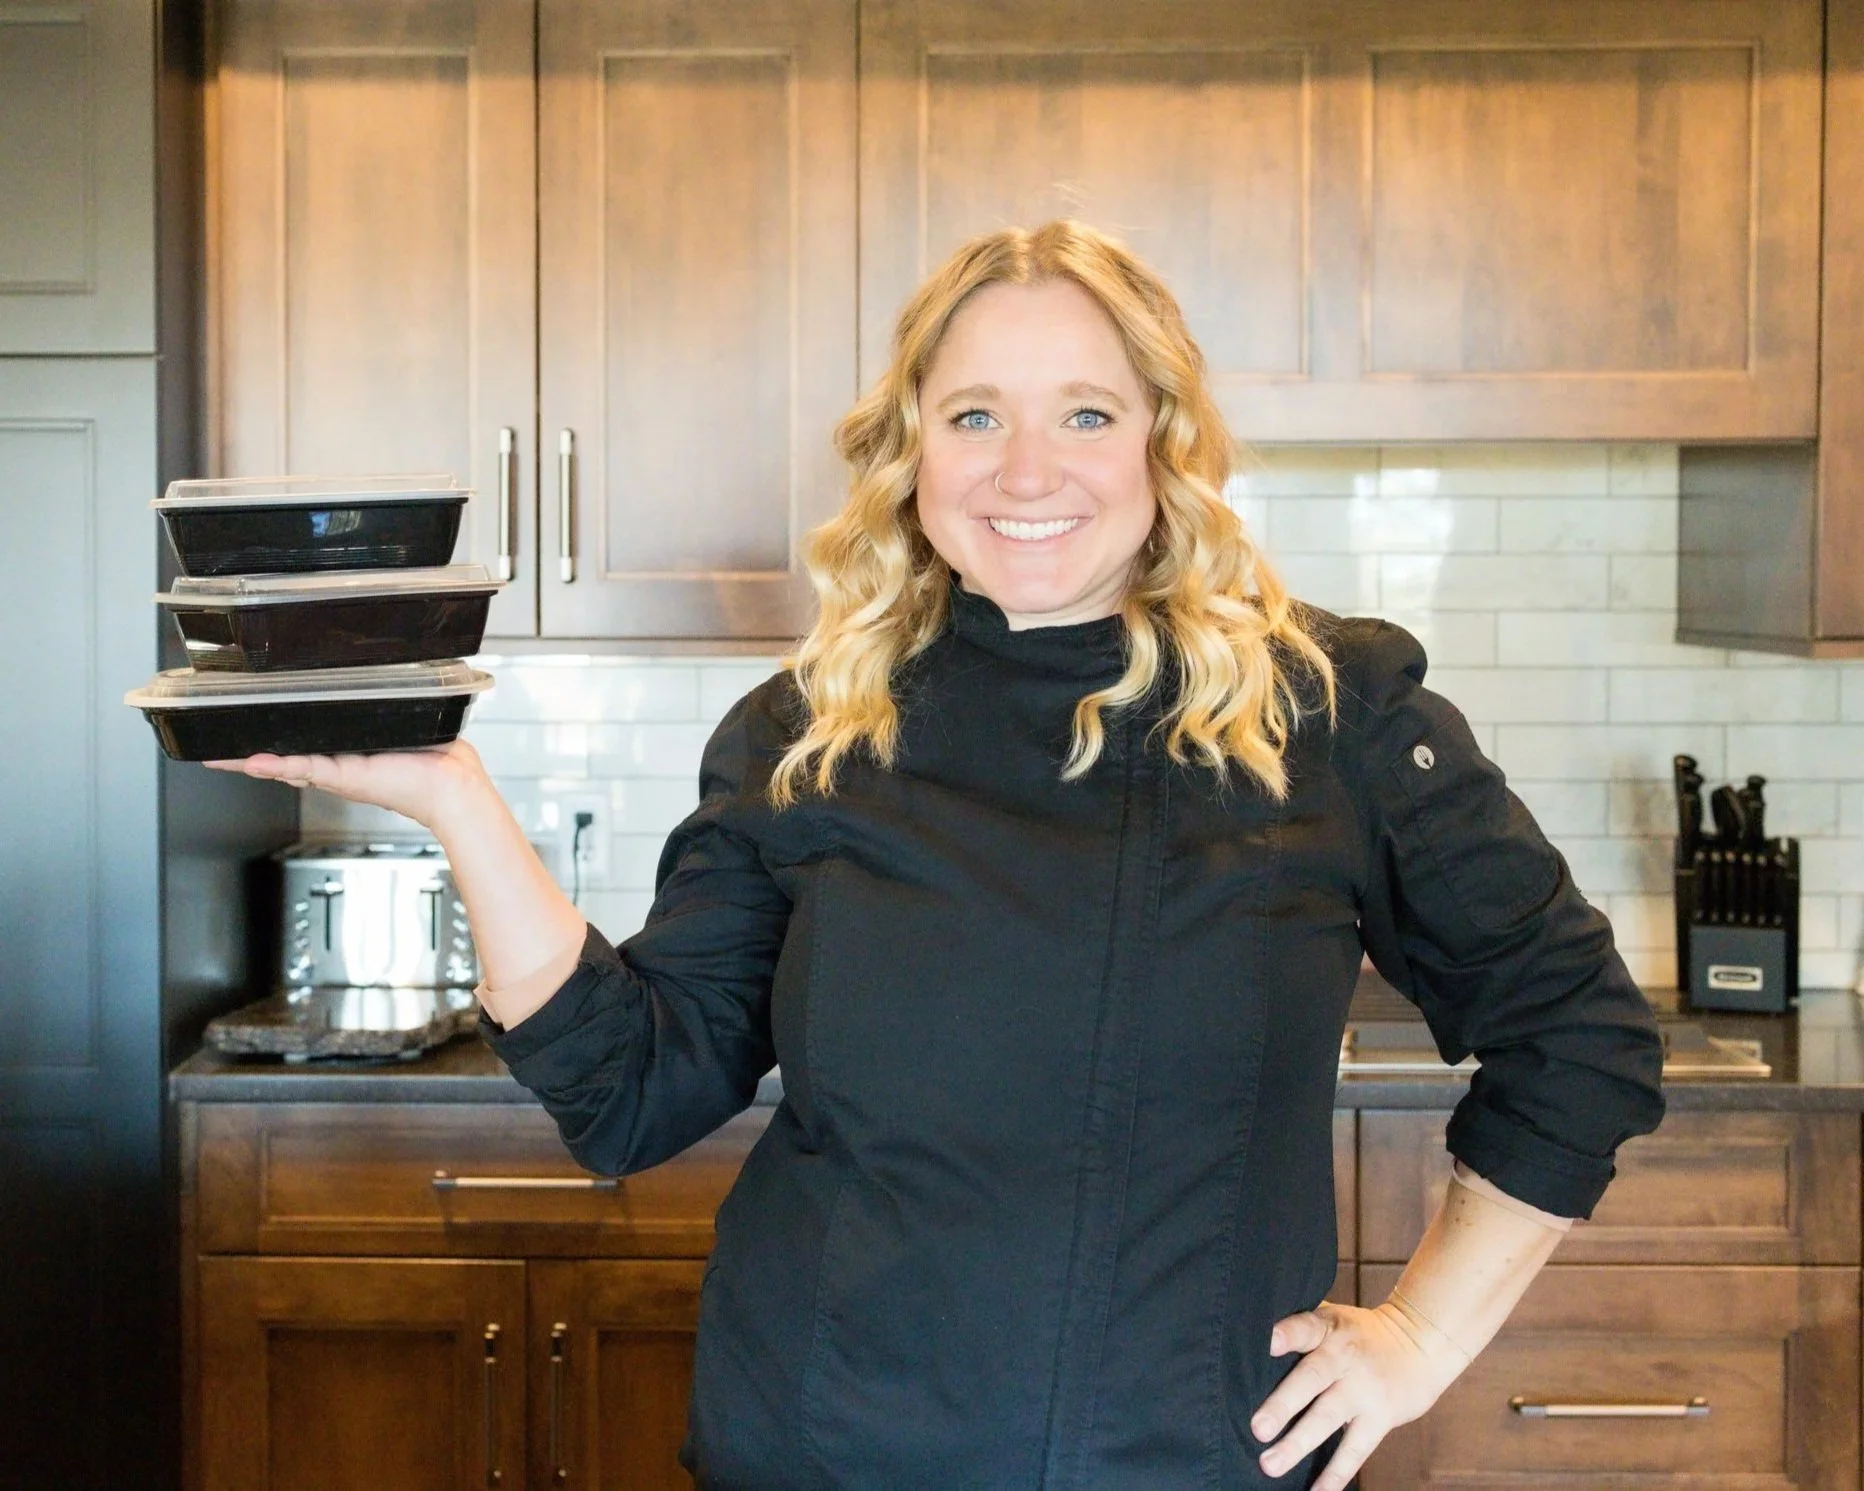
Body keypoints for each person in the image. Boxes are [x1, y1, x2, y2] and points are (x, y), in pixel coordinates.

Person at [210, 219, 1666, 1490]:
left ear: (1165, 436)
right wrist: (458, 798)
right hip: (819, 1447)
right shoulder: (806, 726)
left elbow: (1578, 1038)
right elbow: (633, 1088)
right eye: (973, 415)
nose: (1025, 468)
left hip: (1171, 1462)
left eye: (1087, 413)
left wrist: (1417, 1340)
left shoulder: (1325, 710)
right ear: (911, 449)